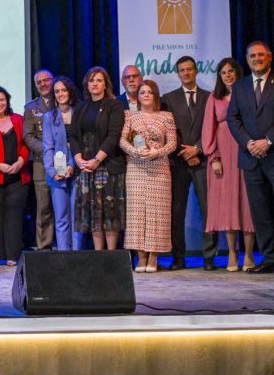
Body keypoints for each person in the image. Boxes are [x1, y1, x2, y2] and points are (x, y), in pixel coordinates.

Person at [226, 41, 274, 276]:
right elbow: (233, 118)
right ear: (247, 60)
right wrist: (249, 143)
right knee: (260, 213)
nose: (257, 59)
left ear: (269, 57)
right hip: (250, 159)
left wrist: (267, 141)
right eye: (252, 56)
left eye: (261, 55)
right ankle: (269, 259)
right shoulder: (240, 86)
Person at [201, 58, 258, 272]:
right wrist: (214, 157)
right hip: (223, 157)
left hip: (246, 152)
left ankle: (249, 254)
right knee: (228, 207)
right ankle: (232, 253)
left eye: (231, 71)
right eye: (224, 72)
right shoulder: (214, 98)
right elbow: (208, 129)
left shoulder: (249, 94)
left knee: (247, 205)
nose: (228, 75)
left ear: (238, 73)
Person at [161, 56, 215, 271]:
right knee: (177, 211)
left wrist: (198, 149)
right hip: (178, 162)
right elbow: (167, 130)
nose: (186, 73)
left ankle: (209, 258)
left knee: (208, 210)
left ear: (196, 71)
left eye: (189, 69)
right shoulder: (167, 99)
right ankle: (178, 258)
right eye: (182, 70)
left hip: (203, 160)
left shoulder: (209, 97)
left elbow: (212, 127)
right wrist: (185, 152)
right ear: (178, 73)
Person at [67, 67, 127, 252]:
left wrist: (97, 160)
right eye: (91, 80)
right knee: (94, 215)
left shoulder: (114, 105)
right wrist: (78, 159)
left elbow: (113, 135)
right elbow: (73, 135)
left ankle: (111, 257)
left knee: (109, 214)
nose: (95, 84)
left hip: (107, 166)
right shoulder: (81, 107)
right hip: (86, 167)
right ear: (87, 84)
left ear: (105, 84)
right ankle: (99, 256)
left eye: (99, 80)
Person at [119, 81, 177, 273]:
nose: (145, 95)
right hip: (135, 169)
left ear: (155, 95)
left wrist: (157, 153)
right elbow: (122, 140)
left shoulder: (166, 116)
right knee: (136, 214)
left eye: (149, 92)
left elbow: (172, 144)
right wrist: (135, 151)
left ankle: (153, 257)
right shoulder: (129, 115)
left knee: (157, 213)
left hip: (159, 169)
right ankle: (141, 258)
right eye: (142, 92)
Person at [0, 85, 29, 266]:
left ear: (8, 101)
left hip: (17, 175)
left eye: (2, 100)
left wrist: (20, 162)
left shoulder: (18, 119)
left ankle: (12, 255)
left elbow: (26, 143)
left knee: (15, 215)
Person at [42, 76, 83, 251]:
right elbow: (47, 147)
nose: (60, 94)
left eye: (63, 90)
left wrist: (72, 165)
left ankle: (77, 256)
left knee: (77, 217)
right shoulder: (49, 117)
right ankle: (64, 256)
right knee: (61, 218)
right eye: (57, 91)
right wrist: (52, 171)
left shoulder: (79, 113)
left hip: (78, 171)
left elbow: (82, 144)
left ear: (70, 91)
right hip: (57, 175)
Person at [23, 69, 57, 250]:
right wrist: (49, 151)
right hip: (41, 163)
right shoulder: (31, 108)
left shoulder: (65, 101)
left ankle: (68, 246)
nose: (43, 84)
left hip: (66, 163)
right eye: (39, 82)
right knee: (43, 208)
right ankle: (44, 246)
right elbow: (28, 137)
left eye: (46, 80)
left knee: (64, 207)